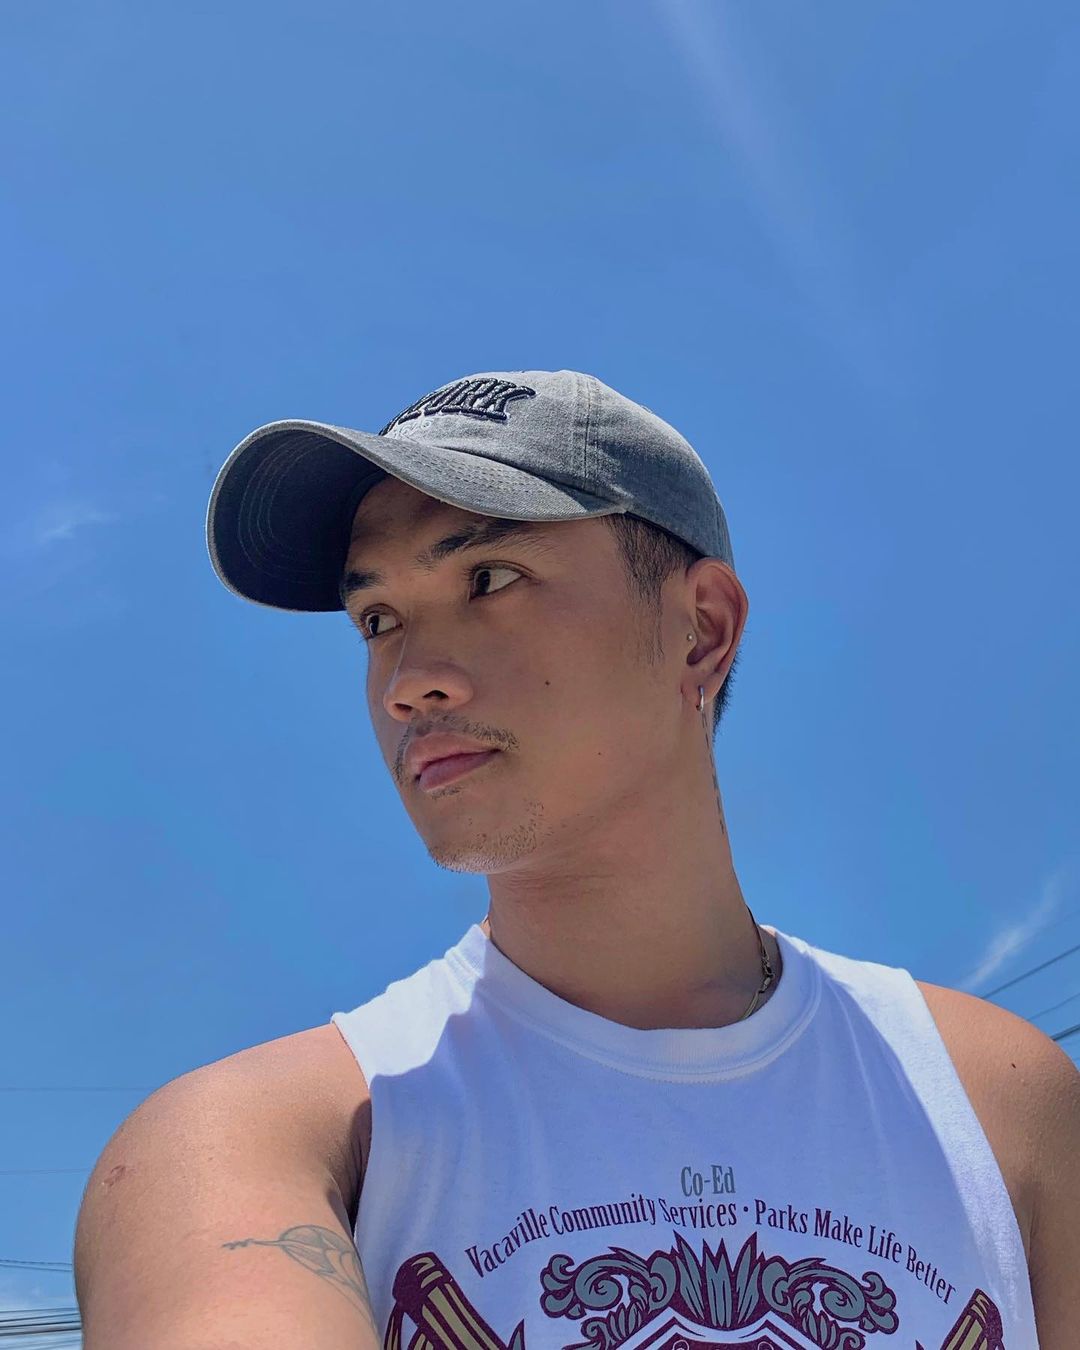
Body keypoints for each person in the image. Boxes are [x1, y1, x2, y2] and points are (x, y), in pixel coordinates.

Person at [74, 370, 1076, 1349]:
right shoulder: (260, 1141)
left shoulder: (1001, 1101)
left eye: (488, 579)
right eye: (378, 620)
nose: (408, 682)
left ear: (702, 632)